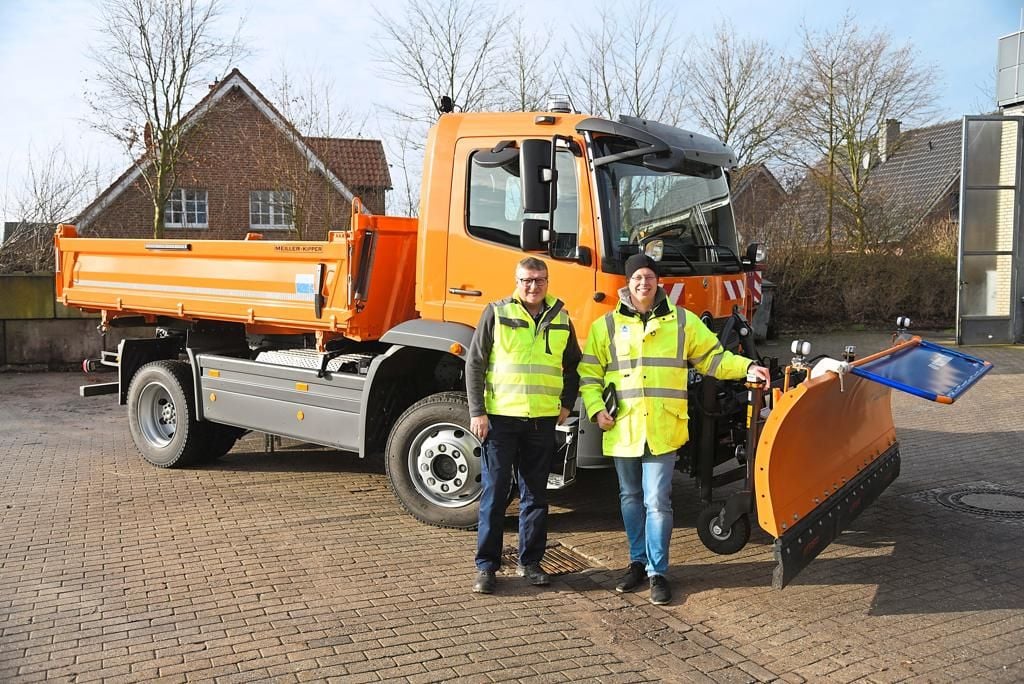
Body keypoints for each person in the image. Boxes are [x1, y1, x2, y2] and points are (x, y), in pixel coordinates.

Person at [578, 254, 770, 605]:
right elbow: (589, 376)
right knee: (631, 499)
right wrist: (595, 410)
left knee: (657, 501)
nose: (643, 283)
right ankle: (636, 562)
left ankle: (657, 572)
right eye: (637, 277)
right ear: (627, 282)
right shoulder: (604, 326)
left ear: (658, 282)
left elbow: (714, 358)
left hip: (663, 427)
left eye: (649, 276)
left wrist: (747, 368)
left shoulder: (682, 322)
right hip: (623, 428)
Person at [466, 257, 582, 594]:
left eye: (539, 280)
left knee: (536, 496)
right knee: (495, 493)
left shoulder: (561, 318)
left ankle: (530, 562)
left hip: (541, 422)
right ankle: (487, 566)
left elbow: (573, 365)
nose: (533, 286)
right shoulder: (497, 312)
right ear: (516, 281)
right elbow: (475, 363)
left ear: (548, 281)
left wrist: (565, 404)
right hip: (500, 419)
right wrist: (478, 411)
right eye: (526, 280)